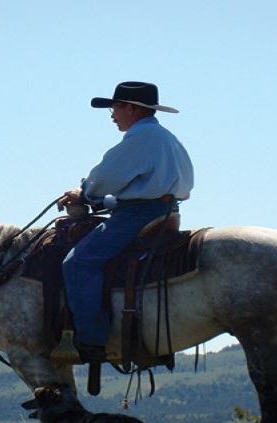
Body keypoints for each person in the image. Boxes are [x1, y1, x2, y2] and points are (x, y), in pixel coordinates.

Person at [57, 81, 194, 362]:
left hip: (138, 215)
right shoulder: (165, 137)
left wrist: (83, 193)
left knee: (78, 262)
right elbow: (138, 189)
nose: (112, 114)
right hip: (164, 211)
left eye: (115, 107)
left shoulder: (140, 138)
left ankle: (91, 340)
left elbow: (106, 178)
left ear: (130, 108)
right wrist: (102, 201)